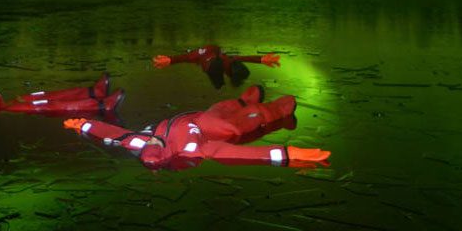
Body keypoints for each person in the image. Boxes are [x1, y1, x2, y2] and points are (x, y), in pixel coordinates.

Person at [63, 84, 329, 171]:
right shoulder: (193, 150)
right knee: (252, 117)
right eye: (156, 145)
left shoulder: (137, 142)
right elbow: (231, 154)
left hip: (207, 114)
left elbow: (112, 133)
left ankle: (242, 100)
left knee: (221, 107)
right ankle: (271, 108)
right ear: (167, 153)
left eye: (149, 145)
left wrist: (85, 124)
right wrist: (284, 154)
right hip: (226, 128)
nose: (152, 142)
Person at [152, 45, 281, 88]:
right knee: (218, 83)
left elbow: (240, 58)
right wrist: (170, 60)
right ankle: (223, 80)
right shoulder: (205, 56)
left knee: (219, 81)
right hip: (214, 63)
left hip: (217, 62)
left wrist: (261, 59)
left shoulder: (223, 59)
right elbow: (187, 57)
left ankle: (225, 79)